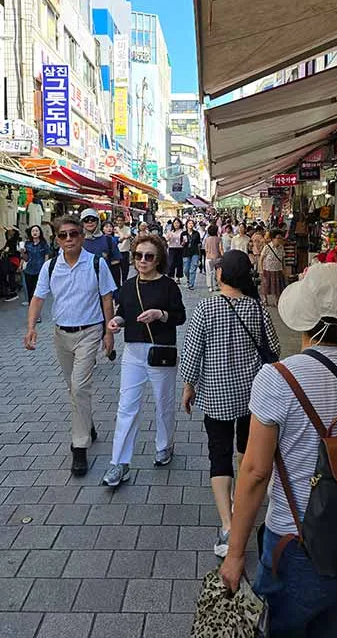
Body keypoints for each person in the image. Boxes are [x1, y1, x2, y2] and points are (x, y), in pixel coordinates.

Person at [220, 263, 337, 637]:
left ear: (303, 316)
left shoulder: (277, 378)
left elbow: (256, 472)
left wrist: (234, 553)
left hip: (295, 545)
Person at [181, 250, 280, 557]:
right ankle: (243, 500)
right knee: (246, 450)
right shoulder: (257, 308)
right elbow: (274, 349)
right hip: (254, 395)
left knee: (218, 454)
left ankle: (227, 524)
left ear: (222, 275)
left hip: (217, 396)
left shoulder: (205, 308)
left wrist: (188, 386)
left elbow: (191, 355)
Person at [24, 216, 116, 477]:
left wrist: (109, 334)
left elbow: (107, 298)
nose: (68, 239)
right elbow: (38, 297)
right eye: (62, 235)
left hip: (89, 331)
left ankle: (79, 447)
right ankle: (87, 424)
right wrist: (31, 327)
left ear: (82, 236)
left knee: (79, 386)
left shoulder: (97, 263)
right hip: (61, 335)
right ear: (56, 239)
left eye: (73, 234)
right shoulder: (50, 267)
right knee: (73, 387)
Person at [102, 234, 186, 487]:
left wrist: (160, 314)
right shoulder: (128, 286)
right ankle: (120, 462)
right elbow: (123, 313)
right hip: (133, 352)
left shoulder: (169, 286)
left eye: (149, 256)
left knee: (164, 403)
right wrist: (116, 322)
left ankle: (164, 445)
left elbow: (179, 316)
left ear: (159, 258)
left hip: (161, 351)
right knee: (126, 406)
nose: (142, 260)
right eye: (138, 255)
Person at [81, 208, 122, 273]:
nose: (89, 222)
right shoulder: (78, 241)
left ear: (98, 221)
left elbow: (116, 261)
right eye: (86, 220)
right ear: (82, 223)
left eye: (93, 219)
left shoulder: (108, 240)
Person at [21, 225, 50, 304]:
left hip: (39, 270)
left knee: (37, 292)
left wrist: (45, 269)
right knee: (30, 291)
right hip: (29, 270)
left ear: (40, 232)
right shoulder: (27, 244)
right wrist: (22, 252)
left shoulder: (43, 244)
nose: (35, 232)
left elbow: (46, 256)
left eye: (37, 231)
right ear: (31, 233)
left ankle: (36, 310)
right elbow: (26, 258)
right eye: (33, 231)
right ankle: (31, 308)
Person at [260, 228, 286, 305]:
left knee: (278, 287)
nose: (279, 240)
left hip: (278, 269)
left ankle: (277, 300)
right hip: (268, 269)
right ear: (273, 239)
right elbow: (261, 259)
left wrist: (284, 270)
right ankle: (265, 300)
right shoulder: (267, 247)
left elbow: (283, 259)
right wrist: (261, 270)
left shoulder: (281, 247)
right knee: (266, 286)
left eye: (281, 238)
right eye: (278, 238)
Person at [0, 228, 21, 301]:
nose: (9, 231)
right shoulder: (9, 241)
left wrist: (6, 252)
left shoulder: (14, 241)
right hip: (9, 261)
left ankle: (12, 292)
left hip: (13, 261)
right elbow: (4, 249)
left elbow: (13, 251)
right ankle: (7, 290)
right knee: (5, 273)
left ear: (14, 232)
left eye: (11, 230)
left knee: (8, 273)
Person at [101, 220, 122, 292]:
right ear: (102, 229)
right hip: (110, 266)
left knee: (116, 286)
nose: (109, 228)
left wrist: (118, 230)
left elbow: (122, 238)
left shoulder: (112, 238)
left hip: (116, 266)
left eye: (111, 227)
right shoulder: (102, 239)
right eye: (106, 227)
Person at [181, 218, 201, 290]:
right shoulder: (183, 233)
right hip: (186, 252)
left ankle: (191, 284)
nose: (191, 225)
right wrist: (183, 242)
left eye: (192, 223)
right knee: (186, 270)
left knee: (193, 269)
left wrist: (199, 255)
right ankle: (189, 280)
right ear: (186, 225)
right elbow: (181, 244)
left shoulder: (196, 233)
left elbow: (199, 244)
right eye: (189, 223)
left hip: (195, 252)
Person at [115, 213, 132, 284]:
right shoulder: (113, 229)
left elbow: (128, 236)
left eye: (121, 220)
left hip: (124, 253)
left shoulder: (127, 229)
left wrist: (120, 233)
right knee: (116, 272)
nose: (119, 222)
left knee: (125, 271)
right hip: (116, 253)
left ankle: (125, 286)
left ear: (124, 221)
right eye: (118, 220)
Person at [205, 224, 222, 292]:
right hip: (217, 257)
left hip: (209, 258)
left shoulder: (207, 239)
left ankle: (210, 286)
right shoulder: (219, 239)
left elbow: (206, 249)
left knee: (209, 273)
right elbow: (221, 249)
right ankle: (217, 285)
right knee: (217, 272)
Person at [166, 217, 184, 284]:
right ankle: (171, 277)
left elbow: (184, 240)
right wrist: (168, 237)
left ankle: (178, 278)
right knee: (171, 263)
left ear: (180, 224)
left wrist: (183, 242)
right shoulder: (170, 232)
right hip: (172, 248)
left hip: (180, 248)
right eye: (175, 223)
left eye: (178, 223)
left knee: (179, 264)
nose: (176, 224)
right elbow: (166, 239)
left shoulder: (182, 231)